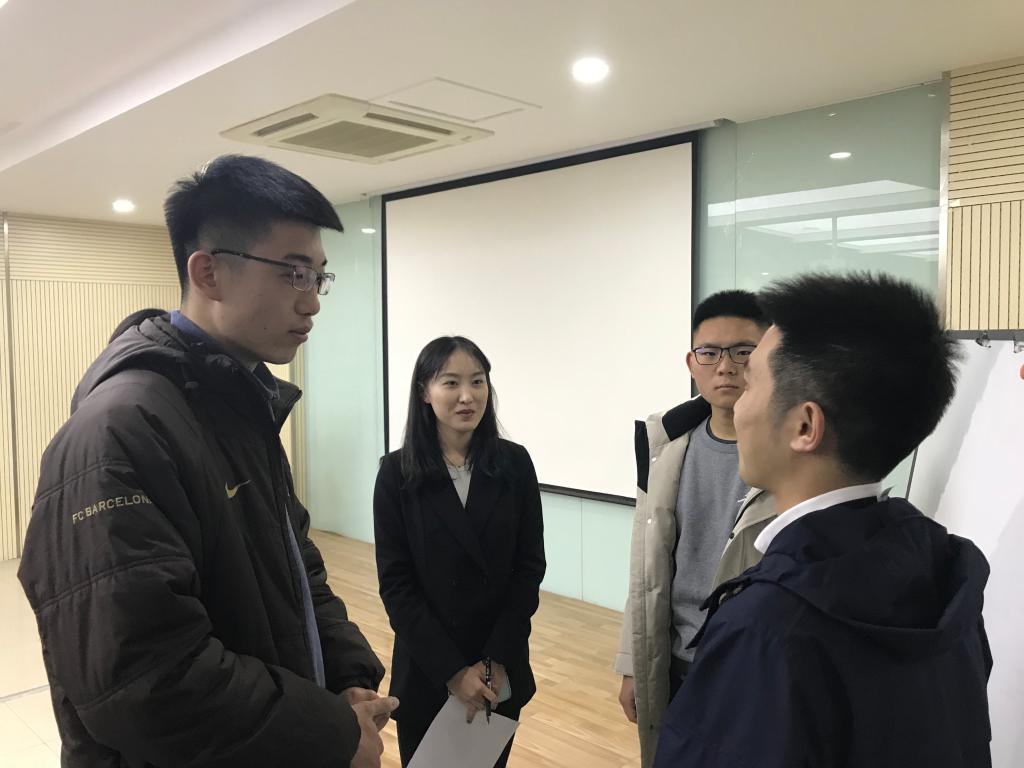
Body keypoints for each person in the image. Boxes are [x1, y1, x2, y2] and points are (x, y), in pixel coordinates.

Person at [18, 154, 396, 768]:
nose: (312, 303)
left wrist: (345, 675)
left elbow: (294, 564)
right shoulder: (120, 430)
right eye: (294, 273)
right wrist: (330, 731)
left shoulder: (236, 405)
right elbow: (146, 681)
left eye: (319, 277)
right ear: (209, 272)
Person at [653, 273, 992, 768]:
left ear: (805, 425)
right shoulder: (943, 569)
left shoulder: (766, 627)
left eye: (753, 381)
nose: (737, 402)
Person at [615, 290, 774, 768]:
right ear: (692, 362)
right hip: (676, 663)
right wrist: (632, 664)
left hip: (752, 667)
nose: (725, 367)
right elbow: (645, 565)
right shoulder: (665, 445)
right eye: (710, 353)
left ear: (769, 357)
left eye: (743, 352)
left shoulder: (791, 451)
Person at [374, 336, 546, 767]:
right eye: (451, 382)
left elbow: (529, 568)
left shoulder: (515, 464)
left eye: (477, 381)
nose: (467, 396)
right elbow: (396, 585)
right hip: (429, 670)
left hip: (498, 671)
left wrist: (495, 660)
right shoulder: (396, 473)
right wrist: (453, 671)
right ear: (424, 392)